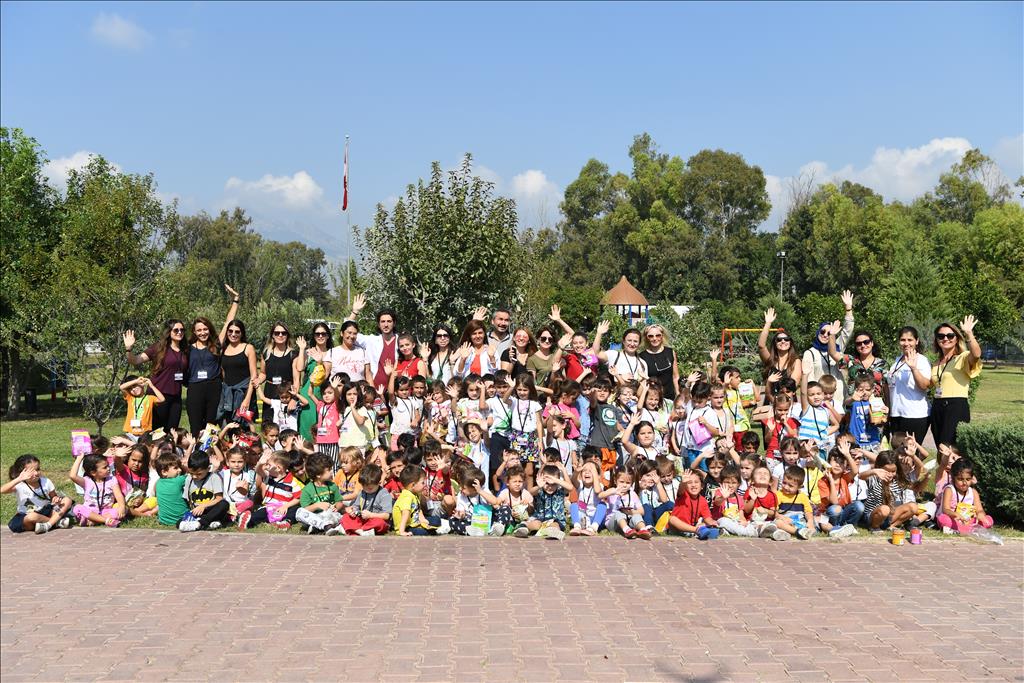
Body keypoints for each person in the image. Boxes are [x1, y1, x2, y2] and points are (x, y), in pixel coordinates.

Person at [186, 285, 239, 437]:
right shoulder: (188, 348)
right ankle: (196, 450)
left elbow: (228, 322)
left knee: (211, 424)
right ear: (194, 331)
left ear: (209, 330)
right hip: (195, 388)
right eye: (199, 330)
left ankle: (210, 449)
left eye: (205, 329)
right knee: (196, 425)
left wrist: (235, 300)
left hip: (214, 387)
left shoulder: (216, 344)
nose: (202, 332)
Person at [123, 319, 189, 430]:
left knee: (172, 432)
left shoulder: (185, 350)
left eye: (182, 330)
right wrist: (128, 349)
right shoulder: (158, 348)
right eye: (176, 330)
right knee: (156, 432)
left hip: (176, 398)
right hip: (157, 395)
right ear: (168, 332)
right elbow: (135, 360)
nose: (179, 332)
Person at [930, 316, 982, 448]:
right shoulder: (936, 363)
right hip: (937, 406)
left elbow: (976, 354)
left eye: (950, 335)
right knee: (940, 447)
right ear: (937, 340)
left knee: (950, 449)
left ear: (956, 338)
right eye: (941, 336)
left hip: (955, 406)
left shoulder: (963, 357)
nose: (945, 339)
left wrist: (969, 333)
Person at [800, 290, 855, 396]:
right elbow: (809, 379)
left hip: (838, 395)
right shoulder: (810, 353)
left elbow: (847, 331)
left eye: (829, 333)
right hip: (820, 397)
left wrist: (848, 309)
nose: (826, 335)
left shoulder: (837, 346)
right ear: (818, 333)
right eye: (822, 332)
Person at [3, 455, 73, 533]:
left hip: (46, 511)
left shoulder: (46, 481)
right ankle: (56, 523)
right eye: (31, 471)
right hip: (27, 515)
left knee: (67, 500)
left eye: (38, 469)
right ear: (22, 472)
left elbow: (53, 497)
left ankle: (48, 525)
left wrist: (56, 499)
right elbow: (2, 490)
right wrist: (19, 479)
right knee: (31, 517)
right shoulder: (19, 485)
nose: (36, 473)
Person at [886, 326, 932, 443]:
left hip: (914, 415)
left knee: (911, 450)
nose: (906, 343)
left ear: (917, 341)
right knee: (898, 451)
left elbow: (925, 385)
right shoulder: (897, 361)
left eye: (910, 340)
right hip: (896, 414)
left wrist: (913, 368)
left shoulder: (921, 360)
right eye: (903, 340)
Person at [259, 322, 303, 425]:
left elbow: (296, 380)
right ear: (272, 335)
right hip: (269, 392)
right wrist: (258, 381)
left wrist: (293, 399)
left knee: (287, 427)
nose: (280, 335)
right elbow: (263, 373)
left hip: (287, 394)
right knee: (268, 426)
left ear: (287, 335)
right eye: (277, 333)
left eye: (283, 333)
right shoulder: (266, 353)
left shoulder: (293, 354)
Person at [828, 326, 887, 399]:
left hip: (875, 404)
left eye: (866, 342)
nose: (863, 345)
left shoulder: (882, 364)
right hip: (854, 403)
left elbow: (886, 387)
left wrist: (888, 404)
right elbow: (833, 353)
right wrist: (831, 334)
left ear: (872, 343)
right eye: (859, 343)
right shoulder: (851, 360)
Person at [298, 321, 333, 442]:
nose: (320, 336)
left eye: (323, 334)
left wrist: (320, 362)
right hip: (308, 392)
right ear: (314, 336)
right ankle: (305, 449)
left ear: (328, 336)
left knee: (323, 423)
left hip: (324, 393)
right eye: (317, 334)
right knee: (307, 425)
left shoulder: (332, 352)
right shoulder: (308, 352)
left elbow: (325, 375)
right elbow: (300, 368)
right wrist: (302, 349)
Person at [68, 453, 125, 528]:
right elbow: (72, 476)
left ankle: (93, 520)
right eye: (105, 467)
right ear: (93, 472)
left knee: (121, 510)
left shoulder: (112, 479)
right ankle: (106, 520)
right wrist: (79, 458)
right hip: (90, 511)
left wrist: (122, 507)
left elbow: (118, 495)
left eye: (108, 465)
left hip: (106, 511)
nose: (108, 468)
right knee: (77, 508)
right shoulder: (86, 481)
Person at [938, 459, 992, 535]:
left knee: (989, 519)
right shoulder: (949, 490)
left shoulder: (973, 492)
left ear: (972, 478)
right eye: (960, 479)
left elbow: (980, 509)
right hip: (953, 519)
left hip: (967, 521)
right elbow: (945, 510)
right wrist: (955, 514)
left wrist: (980, 514)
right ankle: (968, 530)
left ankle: (962, 529)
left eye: (968, 479)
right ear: (953, 478)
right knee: (943, 519)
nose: (964, 483)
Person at [516, 464, 571, 539]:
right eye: (547, 483)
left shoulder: (560, 491)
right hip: (540, 519)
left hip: (556, 520)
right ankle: (523, 528)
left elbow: (570, 488)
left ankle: (553, 532)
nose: (550, 487)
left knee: (555, 525)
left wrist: (557, 479)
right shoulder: (540, 490)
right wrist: (539, 486)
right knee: (535, 524)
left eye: (553, 484)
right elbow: (531, 492)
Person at [179, 451, 230, 532]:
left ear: (208, 469)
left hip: (211, 510)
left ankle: (200, 523)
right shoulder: (189, 478)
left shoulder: (214, 477)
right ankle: (210, 523)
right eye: (192, 473)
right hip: (196, 511)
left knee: (224, 504)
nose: (194, 476)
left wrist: (203, 506)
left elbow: (219, 498)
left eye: (199, 474)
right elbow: (187, 499)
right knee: (178, 523)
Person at [393, 465, 451, 536]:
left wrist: (423, 519)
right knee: (423, 532)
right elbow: (405, 514)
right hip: (407, 526)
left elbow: (418, 509)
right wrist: (402, 531)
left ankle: (435, 528)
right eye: (422, 483)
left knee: (436, 520)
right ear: (413, 485)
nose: (424, 485)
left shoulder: (415, 494)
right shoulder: (406, 497)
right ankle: (435, 530)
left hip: (416, 522)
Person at [295, 452, 344, 534]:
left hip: (330, 514)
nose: (331, 472)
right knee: (299, 512)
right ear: (318, 475)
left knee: (336, 516)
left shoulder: (332, 486)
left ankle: (319, 527)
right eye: (328, 470)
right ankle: (325, 526)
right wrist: (317, 505)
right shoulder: (307, 489)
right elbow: (305, 509)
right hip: (315, 516)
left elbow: (339, 502)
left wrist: (336, 507)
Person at [340, 463, 393, 536]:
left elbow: (386, 516)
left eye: (370, 488)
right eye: (363, 487)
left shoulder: (384, 494)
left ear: (379, 482)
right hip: (363, 520)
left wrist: (371, 515)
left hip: (376, 520)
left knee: (380, 523)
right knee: (346, 517)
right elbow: (356, 507)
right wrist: (352, 511)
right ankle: (361, 531)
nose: (366, 490)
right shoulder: (362, 492)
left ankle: (355, 529)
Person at [757, 307, 802, 393]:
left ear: (790, 343)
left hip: (787, 399)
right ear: (775, 343)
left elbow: (793, 385)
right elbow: (761, 346)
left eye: (786, 339)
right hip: (770, 398)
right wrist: (768, 323)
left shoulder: (795, 362)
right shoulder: (770, 359)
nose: (783, 341)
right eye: (779, 339)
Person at [600, 467, 652, 539]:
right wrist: (613, 492)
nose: (624, 485)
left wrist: (631, 512)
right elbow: (600, 496)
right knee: (619, 513)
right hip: (613, 523)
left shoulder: (632, 494)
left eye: (628, 483)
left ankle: (643, 529)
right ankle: (626, 530)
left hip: (628, 521)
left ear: (632, 483)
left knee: (637, 516)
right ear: (615, 481)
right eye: (621, 482)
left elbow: (642, 511)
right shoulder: (612, 491)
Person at [639, 324, 680, 400]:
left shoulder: (670, 352)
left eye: (658, 335)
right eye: (651, 336)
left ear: (662, 336)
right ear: (646, 338)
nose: (655, 338)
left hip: (670, 398)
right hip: (652, 399)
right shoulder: (642, 356)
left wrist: (678, 394)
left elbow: (675, 377)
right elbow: (642, 380)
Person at [327, 321, 373, 386]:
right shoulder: (332, 352)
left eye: (355, 333)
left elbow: (368, 376)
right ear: (342, 333)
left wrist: (372, 391)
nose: (352, 336)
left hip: (358, 390)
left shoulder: (363, 352)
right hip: (337, 391)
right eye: (349, 333)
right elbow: (325, 375)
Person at [153, 452, 189, 528]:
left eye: (180, 467)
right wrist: (185, 467)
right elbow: (192, 474)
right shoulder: (179, 480)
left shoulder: (158, 483)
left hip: (164, 521)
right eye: (176, 468)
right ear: (164, 472)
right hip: (183, 519)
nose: (180, 470)